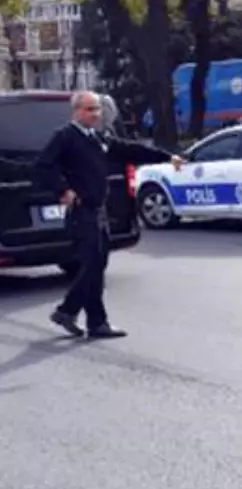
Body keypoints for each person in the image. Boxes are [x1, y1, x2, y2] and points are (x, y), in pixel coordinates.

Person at [39, 90, 184, 339]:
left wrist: (166, 157)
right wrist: (63, 189)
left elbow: (130, 149)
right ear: (76, 111)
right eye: (89, 109)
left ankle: (95, 322)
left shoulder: (98, 138)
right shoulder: (65, 137)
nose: (95, 114)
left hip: (98, 210)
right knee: (93, 264)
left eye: (97, 109)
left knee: (97, 265)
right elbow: (43, 166)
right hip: (82, 211)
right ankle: (68, 311)